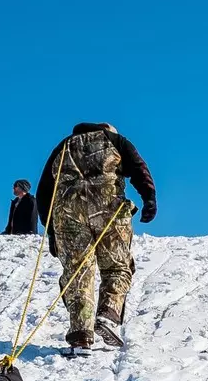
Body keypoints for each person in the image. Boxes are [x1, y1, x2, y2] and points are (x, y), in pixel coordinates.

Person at [35, 122, 156, 351]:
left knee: (78, 271)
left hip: (69, 214)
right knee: (117, 266)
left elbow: (44, 191)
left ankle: (81, 335)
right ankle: (108, 315)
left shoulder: (63, 145)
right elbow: (139, 167)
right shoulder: (115, 140)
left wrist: (51, 230)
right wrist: (149, 197)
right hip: (108, 209)